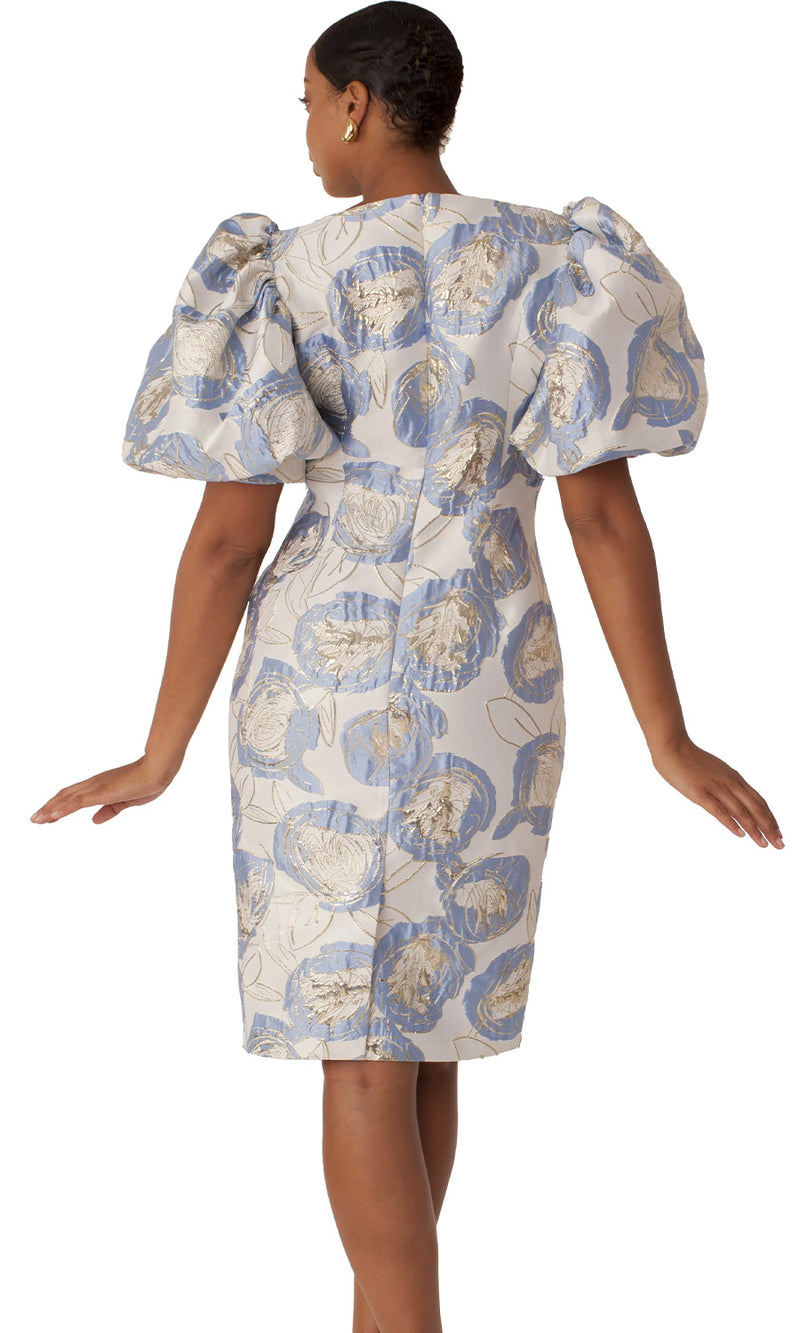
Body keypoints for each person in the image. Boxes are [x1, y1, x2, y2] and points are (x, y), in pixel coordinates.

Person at [29, 3, 784, 1330]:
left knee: (362, 1045)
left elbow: (227, 539)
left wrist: (159, 751)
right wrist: (667, 736)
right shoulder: (556, 263)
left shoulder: (288, 273)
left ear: (358, 105)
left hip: (327, 692)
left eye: (307, 103)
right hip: (496, 674)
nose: (306, 133)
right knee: (419, 1032)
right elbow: (604, 517)